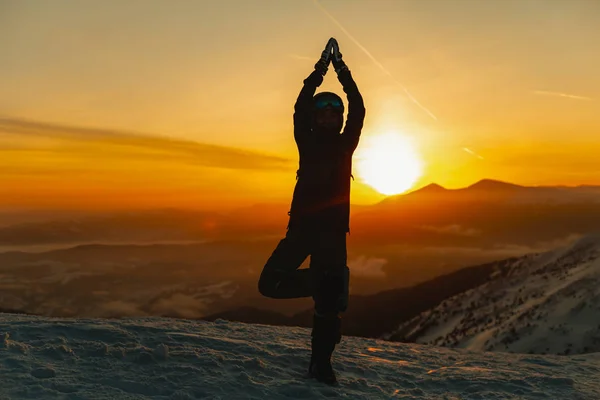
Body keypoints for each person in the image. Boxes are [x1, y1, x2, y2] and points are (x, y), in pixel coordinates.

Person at [257, 37, 366, 384]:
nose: (330, 118)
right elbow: (300, 106)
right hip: (302, 229)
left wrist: (343, 71)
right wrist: (320, 71)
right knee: (270, 283)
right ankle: (324, 284)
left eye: (336, 113)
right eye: (324, 113)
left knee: (328, 310)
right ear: (316, 119)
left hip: (332, 234)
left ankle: (321, 362)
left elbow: (359, 108)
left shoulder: (346, 143)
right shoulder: (306, 140)